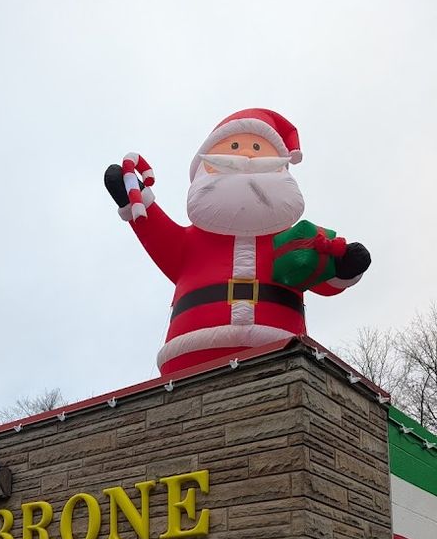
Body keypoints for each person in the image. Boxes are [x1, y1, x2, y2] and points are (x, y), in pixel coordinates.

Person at [104, 108, 372, 375]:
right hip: (192, 353)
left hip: (282, 350)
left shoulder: (293, 239)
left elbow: (320, 272)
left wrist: (344, 265)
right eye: (234, 146)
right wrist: (132, 197)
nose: (246, 156)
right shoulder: (190, 243)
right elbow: (157, 234)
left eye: (258, 147)